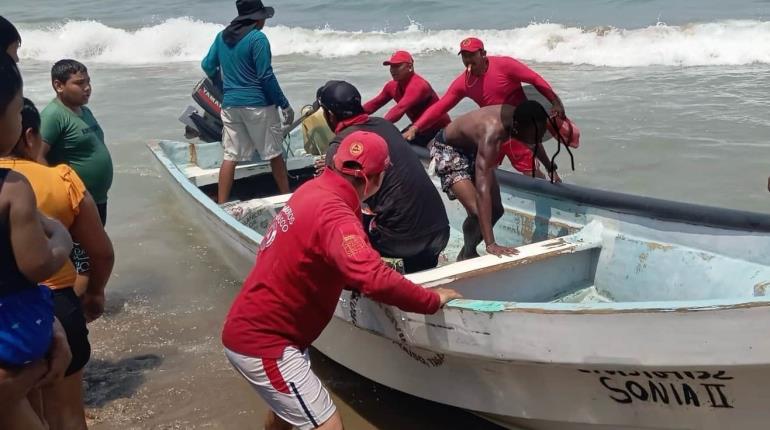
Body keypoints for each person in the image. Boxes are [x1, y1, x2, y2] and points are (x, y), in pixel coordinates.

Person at [222, 130, 462, 430]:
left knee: (286, 415)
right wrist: (431, 299)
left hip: (263, 330)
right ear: (374, 179)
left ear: (336, 162)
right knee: (328, 425)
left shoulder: (312, 190)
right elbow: (375, 278)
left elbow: (304, 253)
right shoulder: (336, 214)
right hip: (267, 342)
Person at [1, 98, 115, 430]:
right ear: (30, 135)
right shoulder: (53, 180)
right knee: (66, 415)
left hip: (8, 323)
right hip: (52, 307)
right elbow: (101, 252)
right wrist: (94, 292)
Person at [0, 51, 72, 430]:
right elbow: (37, 264)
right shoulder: (12, 187)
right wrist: (61, 238)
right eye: (15, 112)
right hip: (15, 329)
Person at [319, 80, 450, 274]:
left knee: (329, 213)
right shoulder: (386, 125)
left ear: (329, 115)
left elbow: (343, 204)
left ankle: (357, 279)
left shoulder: (340, 145)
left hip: (399, 240)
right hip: (440, 231)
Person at [403, 37, 565, 175]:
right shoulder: (464, 82)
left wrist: (555, 102)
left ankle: (551, 193)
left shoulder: (505, 65)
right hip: (493, 130)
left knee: (531, 171)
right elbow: (441, 107)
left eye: (472, 55)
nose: (468, 60)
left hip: (517, 129)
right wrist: (415, 128)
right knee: (481, 168)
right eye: (464, 56)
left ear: (483, 54)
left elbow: (535, 79)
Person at [435, 101, 557, 259]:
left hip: (475, 148)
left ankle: (466, 252)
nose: (535, 139)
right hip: (450, 150)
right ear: (517, 126)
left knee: (497, 210)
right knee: (477, 212)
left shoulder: (524, 117)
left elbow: (534, 141)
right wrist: (491, 244)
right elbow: (482, 190)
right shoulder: (492, 133)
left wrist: (550, 167)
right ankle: (469, 253)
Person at [202, 0, 294, 203]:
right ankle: (287, 199)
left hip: (230, 106)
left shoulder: (222, 37)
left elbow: (207, 65)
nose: (264, 21)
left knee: (231, 156)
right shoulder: (257, 39)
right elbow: (265, 76)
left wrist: (222, 84)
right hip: (258, 107)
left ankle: (222, 204)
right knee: (274, 154)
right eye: (263, 17)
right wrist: (284, 104)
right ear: (256, 18)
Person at [362, 50, 450, 148]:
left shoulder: (418, 85)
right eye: (391, 66)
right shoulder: (391, 86)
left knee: (393, 146)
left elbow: (399, 109)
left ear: (410, 67)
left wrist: (379, 129)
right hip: (418, 128)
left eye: (397, 66)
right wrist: (354, 115)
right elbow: (374, 104)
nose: (392, 70)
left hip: (440, 130)